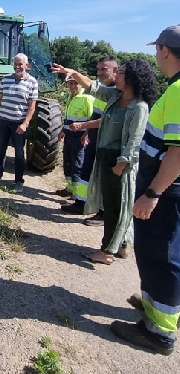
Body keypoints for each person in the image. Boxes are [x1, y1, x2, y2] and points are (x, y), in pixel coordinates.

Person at [110, 25, 180, 356]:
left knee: (162, 257)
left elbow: (178, 152)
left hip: (166, 192)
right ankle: (154, 311)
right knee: (155, 255)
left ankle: (160, 333)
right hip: (164, 190)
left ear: (166, 51)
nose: (156, 56)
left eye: (157, 50)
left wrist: (152, 194)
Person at [52, 59, 156, 265]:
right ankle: (123, 245)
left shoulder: (139, 107)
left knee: (115, 207)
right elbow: (93, 87)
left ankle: (107, 251)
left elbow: (135, 140)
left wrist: (121, 164)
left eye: (122, 73)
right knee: (115, 205)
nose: (116, 76)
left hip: (119, 164)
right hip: (108, 158)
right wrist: (73, 72)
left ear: (133, 78)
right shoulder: (116, 97)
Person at [64, 57, 116, 225]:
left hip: (108, 141)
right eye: (98, 69)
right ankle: (80, 204)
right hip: (95, 139)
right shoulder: (102, 90)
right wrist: (87, 132)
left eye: (104, 69)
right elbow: (96, 113)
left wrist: (84, 125)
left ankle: (102, 213)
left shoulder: (116, 92)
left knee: (104, 177)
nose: (100, 72)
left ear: (115, 71)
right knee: (86, 171)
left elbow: (107, 119)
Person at [0, 53, 38, 193]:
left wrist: (25, 123)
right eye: (16, 63)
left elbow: (32, 106)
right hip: (3, 120)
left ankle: (19, 181)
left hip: (18, 123)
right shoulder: (6, 79)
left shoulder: (32, 82)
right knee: (0, 148)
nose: (17, 66)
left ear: (26, 65)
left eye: (20, 64)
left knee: (19, 153)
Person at [57, 76, 95, 214]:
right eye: (70, 83)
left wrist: (86, 135)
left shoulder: (87, 99)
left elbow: (92, 119)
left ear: (82, 85)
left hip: (80, 137)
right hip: (69, 135)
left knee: (78, 164)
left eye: (75, 83)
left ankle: (78, 194)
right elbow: (68, 117)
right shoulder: (71, 97)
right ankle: (70, 188)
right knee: (68, 161)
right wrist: (63, 130)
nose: (72, 86)